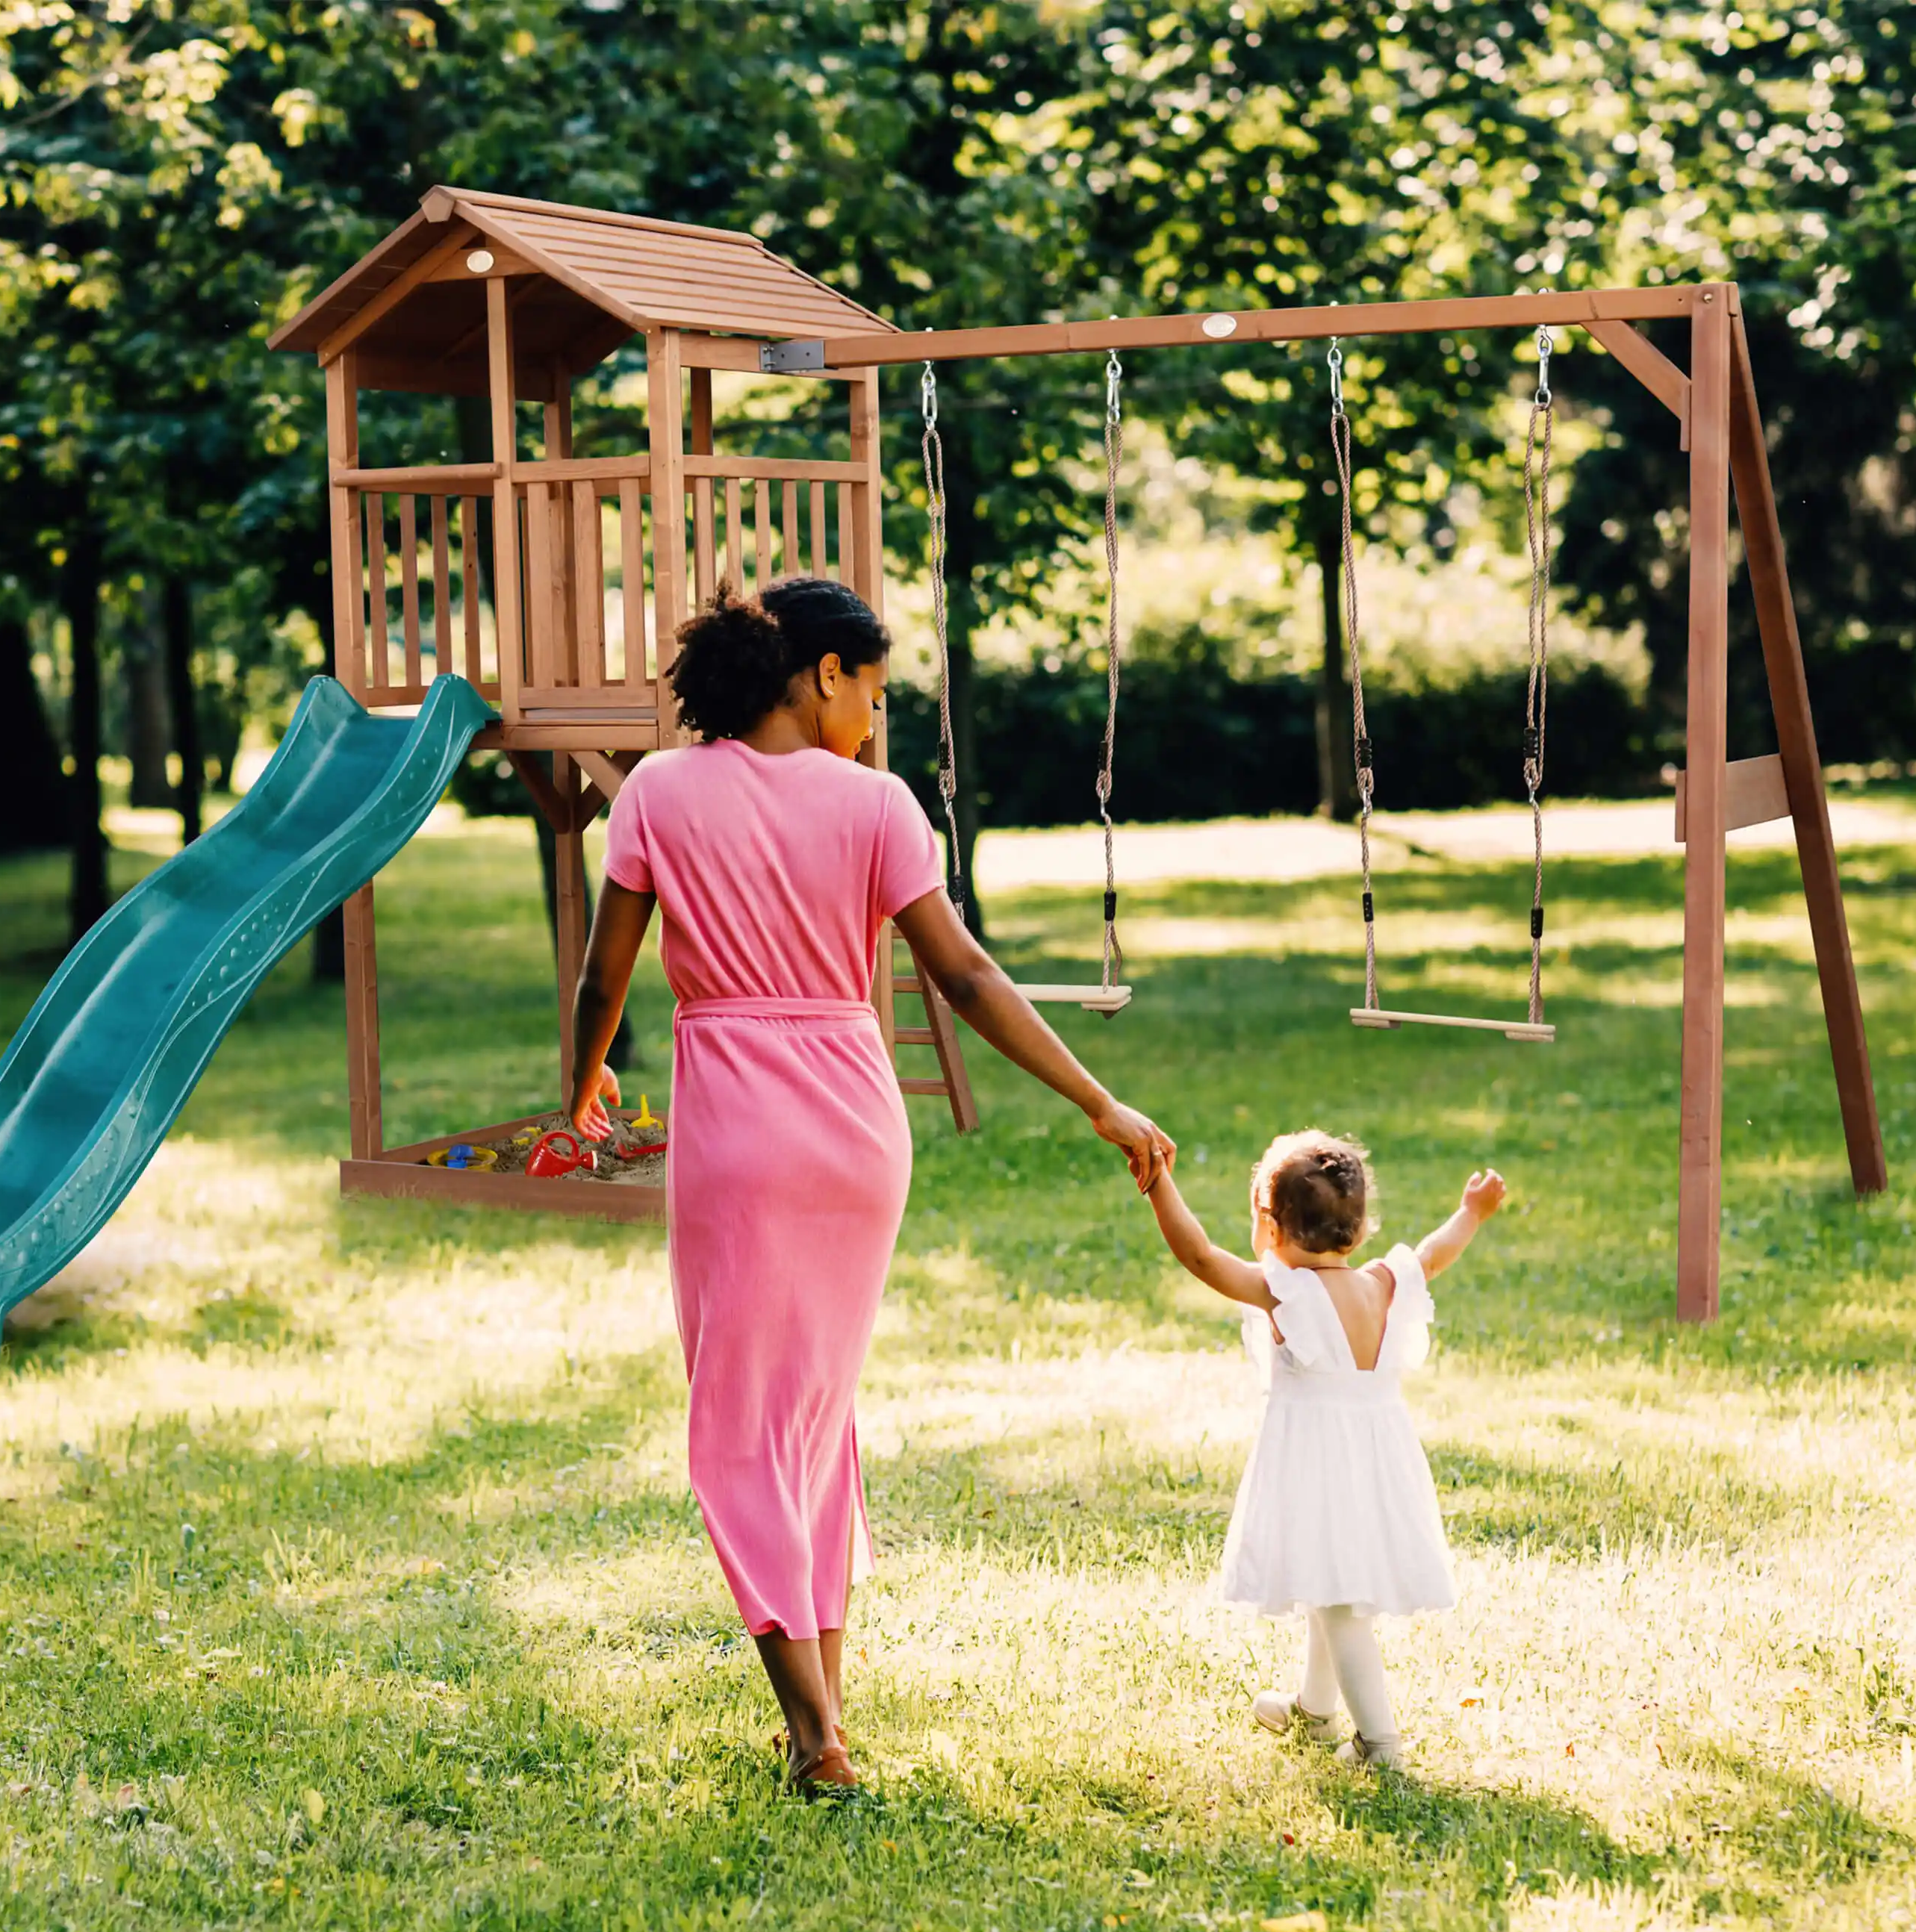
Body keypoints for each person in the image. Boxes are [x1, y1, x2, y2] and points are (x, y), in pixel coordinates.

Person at [568, 577, 1175, 1793]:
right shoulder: (878, 808)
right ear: (823, 674)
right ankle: (825, 1712)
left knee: (741, 1427)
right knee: (812, 1419)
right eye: (876, 691)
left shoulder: (658, 794)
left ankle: (815, 1734)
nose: (877, 720)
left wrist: (579, 1087)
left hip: (738, 1125)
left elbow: (604, 978)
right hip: (856, 1124)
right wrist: (1097, 1100)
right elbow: (966, 979)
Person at [1141, 1131, 1507, 1770]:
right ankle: (1314, 1710)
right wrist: (1471, 1213)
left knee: (1339, 1604)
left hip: (1318, 1464)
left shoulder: (1287, 1294)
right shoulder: (1384, 1283)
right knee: (1325, 1578)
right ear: (1359, 1229)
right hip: (1376, 1459)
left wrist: (1158, 1182)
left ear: (1272, 1226)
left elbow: (1200, 1257)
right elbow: (1434, 1252)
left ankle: (1379, 1744)